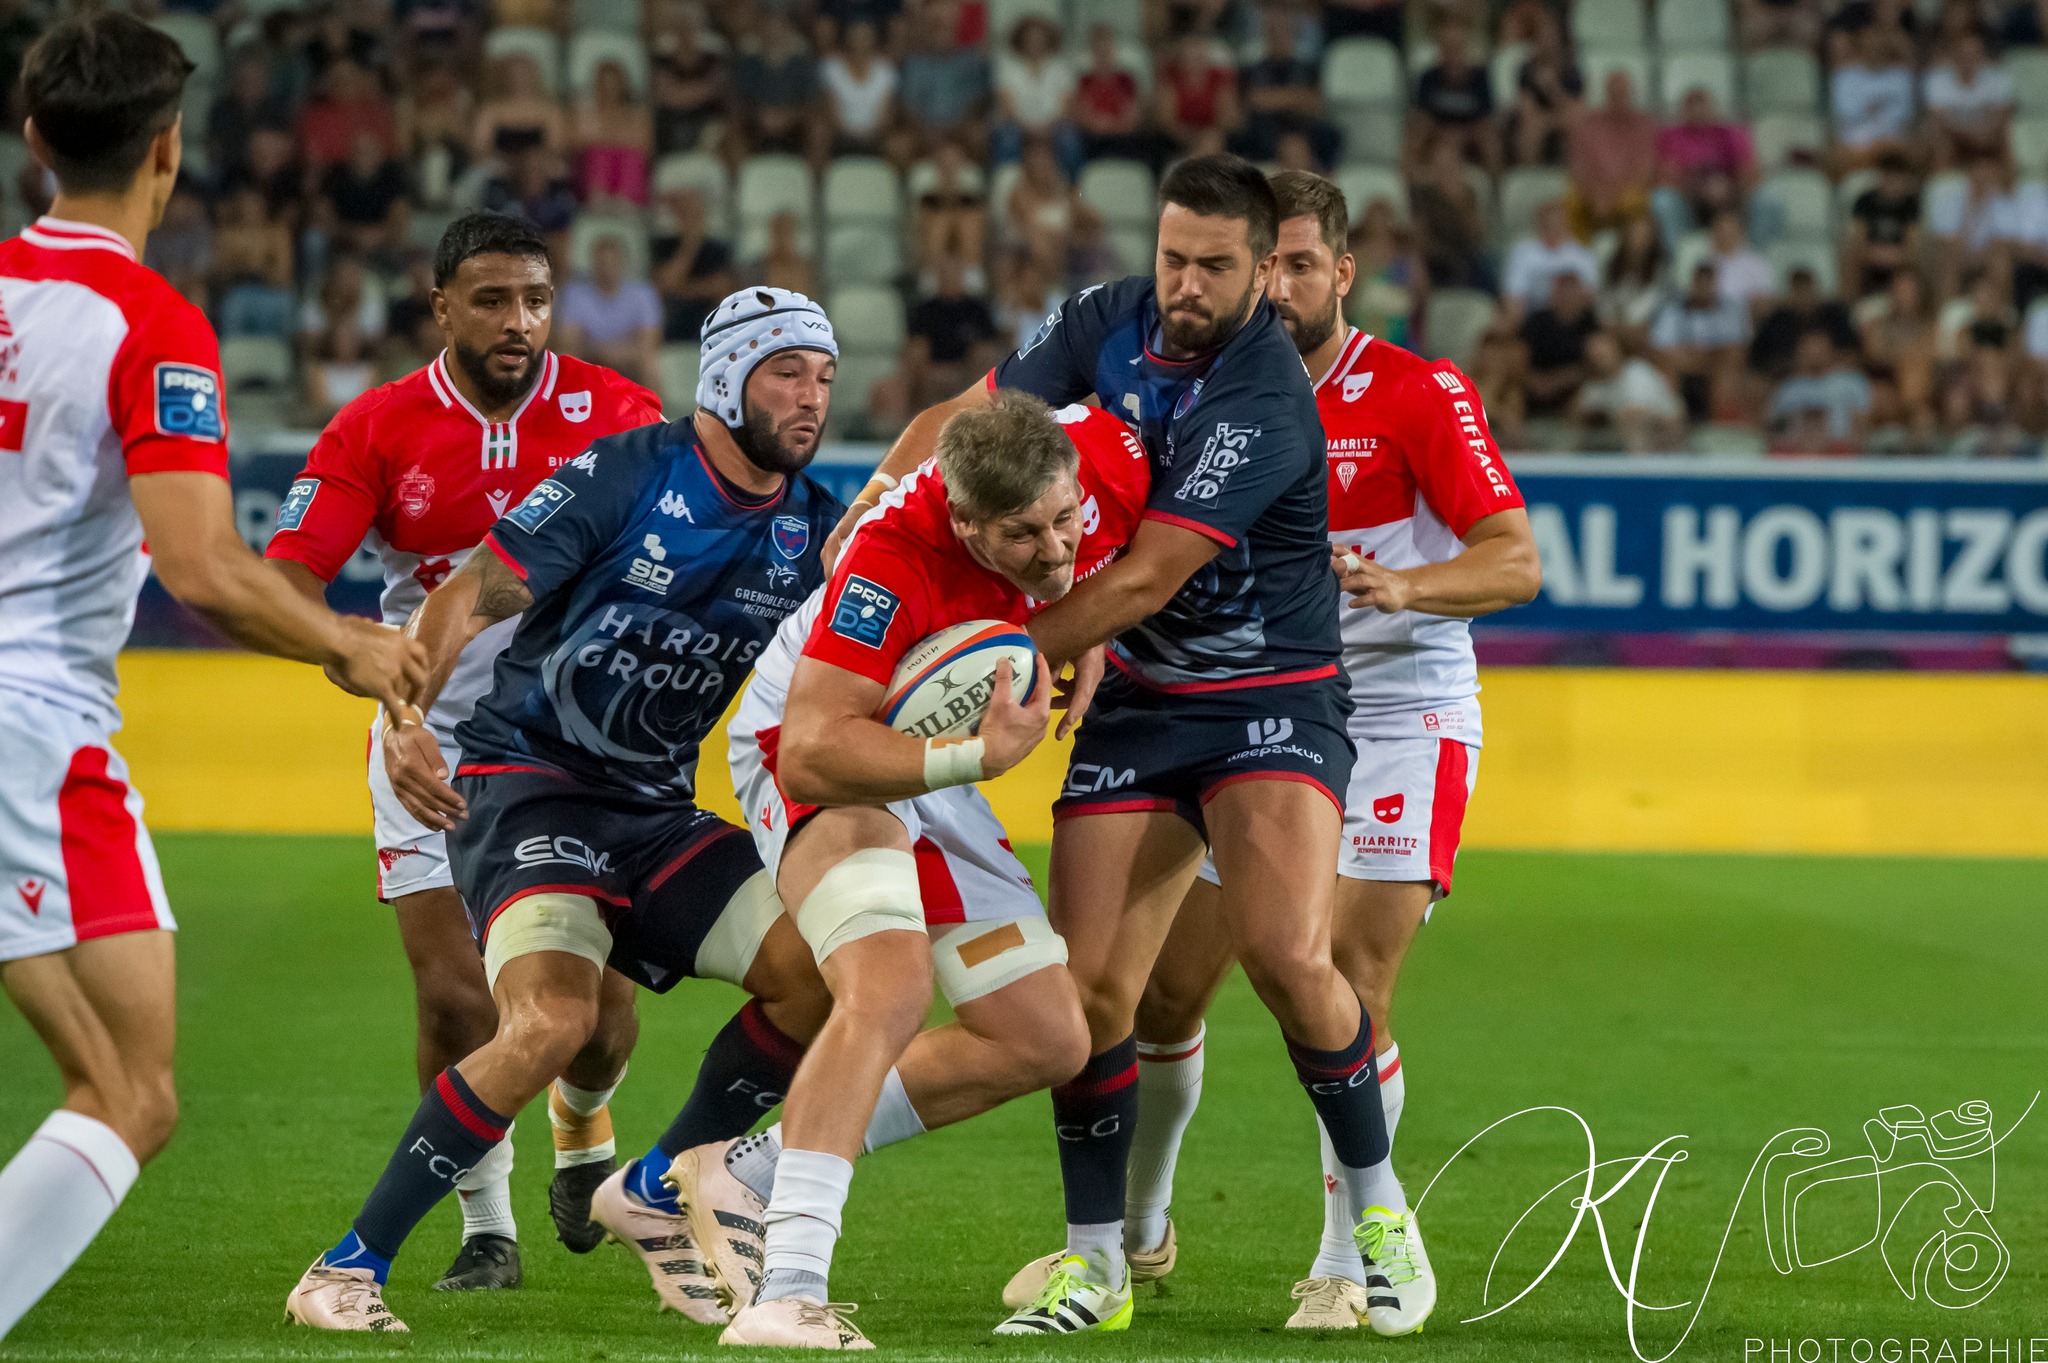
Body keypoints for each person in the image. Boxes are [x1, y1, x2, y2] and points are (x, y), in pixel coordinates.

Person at [830, 153, 1421, 1336]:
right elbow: (974, 420)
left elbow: (1150, 571)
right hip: (1143, 703)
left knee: (1288, 956)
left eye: (1212, 265)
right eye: (1171, 257)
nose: (1184, 285)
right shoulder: (1105, 321)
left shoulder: (1261, 398)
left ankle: (1376, 1214)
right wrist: (880, 498)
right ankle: (1094, 1264)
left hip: (1271, 695)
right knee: (1092, 993)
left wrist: (1004, 646)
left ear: (1265, 271)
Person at [1007, 167, 1539, 1334]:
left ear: (1336, 272)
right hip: (1186, 697)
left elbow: (1514, 561)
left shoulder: (1411, 393)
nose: (1278, 286)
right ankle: (1131, 1235)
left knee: (1330, 967)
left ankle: (1351, 1254)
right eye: (1265, 263)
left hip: (1386, 701)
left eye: (1301, 265)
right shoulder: (1162, 368)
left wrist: (1402, 586)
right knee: (1157, 993)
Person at [282, 288, 845, 1332]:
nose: (809, 398)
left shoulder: (814, 531)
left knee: (820, 977)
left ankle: (660, 1184)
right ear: (723, 376)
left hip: (653, 809)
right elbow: (465, 596)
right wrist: (403, 712)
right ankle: (344, 1269)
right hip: (523, 783)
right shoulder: (627, 470)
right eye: (784, 372)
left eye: (822, 376)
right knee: (553, 1020)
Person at [0, 12, 424, 1341]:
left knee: (119, 1073)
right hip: (31, 721)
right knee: (131, 1085)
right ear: (170, 153)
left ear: (33, 145)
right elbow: (200, 564)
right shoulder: (151, 325)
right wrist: (350, 638)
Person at [671, 395, 1156, 1347]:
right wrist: (972, 759)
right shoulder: (889, 566)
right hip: (820, 743)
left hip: (926, 741)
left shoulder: (1093, 460)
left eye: (1067, 519)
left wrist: (1081, 619)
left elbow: (968, 401)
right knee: (887, 984)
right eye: (1022, 536)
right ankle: (788, 1291)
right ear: (963, 519)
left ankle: (748, 1169)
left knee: (1050, 1036)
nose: (1056, 550)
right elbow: (811, 750)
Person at [264, 213, 666, 1292]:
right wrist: (382, 695)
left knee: (597, 1019)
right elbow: (292, 589)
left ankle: (583, 1131)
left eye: (535, 299)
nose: (517, 322)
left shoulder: (618, 414)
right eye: (490, 300)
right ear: (440, 306)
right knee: (457, 1002)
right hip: (428, 740)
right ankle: (486, 1228)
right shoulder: (377, 429)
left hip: (581, 747)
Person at [1651, 261, 1752, 423]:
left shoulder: (1732, 309)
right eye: (1700, 283)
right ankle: (1672, 421)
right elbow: (1660, 343)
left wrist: (1705, 354)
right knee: (1663, 361)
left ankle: (1722, 425)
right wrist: (1691, 355)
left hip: (1718, 363)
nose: (1704, 288)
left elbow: (1738, 345)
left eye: (1709, 283)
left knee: (1731, 359)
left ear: (1716, 284)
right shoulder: (1674, 308)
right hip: (1682, 364)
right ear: (1693, 283)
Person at [557, 235, 661, 386]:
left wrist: (615, 354)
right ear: (592, 263)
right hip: (589, 358)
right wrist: (600, 353)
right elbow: (567, 341)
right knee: (565, 357)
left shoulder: (643, 294)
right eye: (601, 263)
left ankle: (652, 409)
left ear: (623, 263)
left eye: (612, 263)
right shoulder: (575, 294)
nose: (606, 268)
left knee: (649, 363)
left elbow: (650, 342)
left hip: (630, 360)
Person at [1574, 330, 1685, 450]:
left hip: (1670, 429)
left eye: (1603, 352)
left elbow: (1634, 414)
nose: (1599, 356)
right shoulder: (1594, 384)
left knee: (1631, 422)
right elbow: (1575, 417)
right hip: (1624, 439)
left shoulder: (1637, 371)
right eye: (1595, 353)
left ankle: (1638, 466)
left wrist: (1606, 418)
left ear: (1617, 350)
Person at [1768, 330, 1873, 451]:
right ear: (1800, 353)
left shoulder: (1851, 381)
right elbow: (1773, 427)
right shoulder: (1788, 387)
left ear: (1831, 350)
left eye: (1819, 348)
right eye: (1810, 349)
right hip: (1796, 453)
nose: (1815, 353)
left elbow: (1864, 422)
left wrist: (1855, 449)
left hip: (1841, 449)